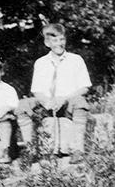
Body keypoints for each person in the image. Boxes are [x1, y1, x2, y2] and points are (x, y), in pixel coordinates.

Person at [17, 23, 91, 159]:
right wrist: (46, 101)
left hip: (68, 103)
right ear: (47, 43)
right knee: (22, 105)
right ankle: (30, 150)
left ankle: (77, 149)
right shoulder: (41, 62)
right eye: (55, 40)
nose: (59, 44)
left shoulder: (76, 60)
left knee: (80, 101)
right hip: (47, 104)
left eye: (62, 39)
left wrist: (64, 98)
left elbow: (84, 87)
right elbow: (37, 91)